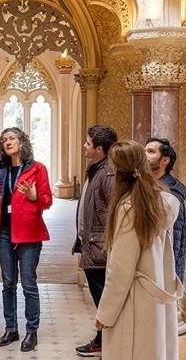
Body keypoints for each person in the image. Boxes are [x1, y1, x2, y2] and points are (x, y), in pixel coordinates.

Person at [94, 141, 182, 360]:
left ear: (118, 171)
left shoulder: (129, 208)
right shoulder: (162, 202)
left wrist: (105, 312)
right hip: (156, 296)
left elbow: (121, 269)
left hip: (133, 302)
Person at [0, 127, 53, 352]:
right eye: (4, 140)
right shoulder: (1, 171)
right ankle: (11, 329)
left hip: (29, 233)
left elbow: (47, 201)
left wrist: (34, 197)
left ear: (22, 143)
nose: (7, 142)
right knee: (7, 284)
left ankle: (31, 331)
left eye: (12, 138)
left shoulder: (37, 169)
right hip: (5, 232)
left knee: (29, 284)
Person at [74, 124, 117, 357]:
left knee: (103, 299)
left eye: (88, 143)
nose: (84, 146)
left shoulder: (108, 173)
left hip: (100, 247)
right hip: (91, 244)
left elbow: (114, 213)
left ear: (99, 148)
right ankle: (104, 340)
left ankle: (104, 342)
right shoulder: (95, 168)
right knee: (99, 297)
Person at [145, 138, 186, 284]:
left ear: (165, 161)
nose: (144, 155)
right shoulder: (145, 186)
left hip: (161, 267)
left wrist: (169, 274)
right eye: (144, 151)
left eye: (151, 152)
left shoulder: (171, 194)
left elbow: (174, 237)